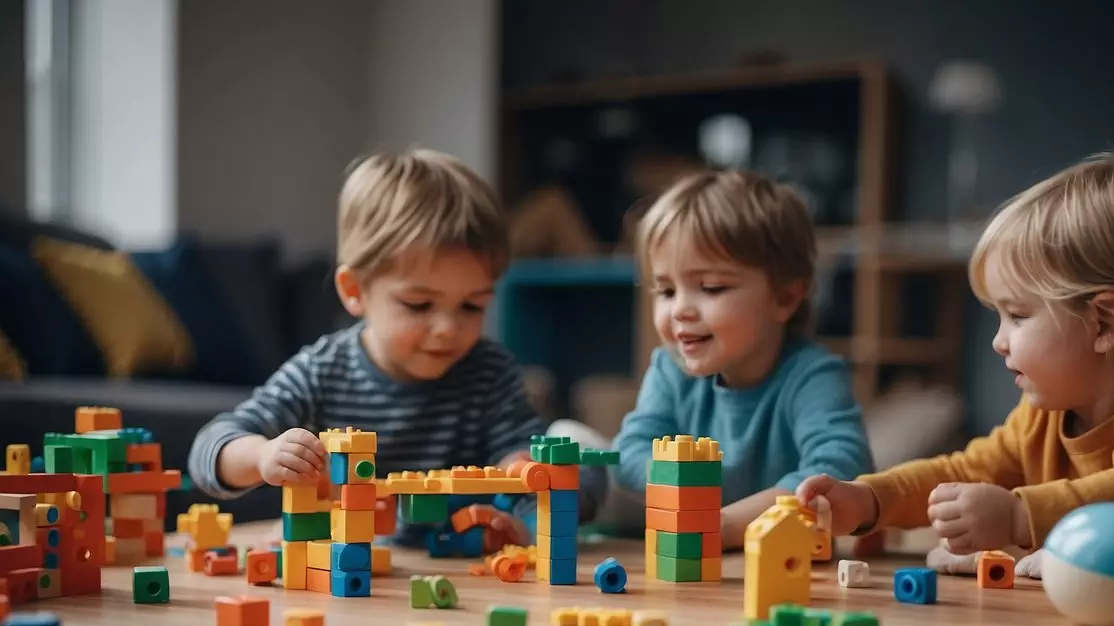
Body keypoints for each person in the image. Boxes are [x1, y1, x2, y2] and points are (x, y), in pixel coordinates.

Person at [795, 149, 1114, 577]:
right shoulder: (1041, 417)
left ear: (1104, 323)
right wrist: (869, 499)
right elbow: (963, 471)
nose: (998, 341)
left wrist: (1017, 515)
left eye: (1018, 315)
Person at [188, 149, 557, 544]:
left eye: (472, 305)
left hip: (458, 565)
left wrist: (521, 474)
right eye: (419, 304)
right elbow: (210, 447)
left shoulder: (489, 371)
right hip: (346, 565)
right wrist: (262, 456)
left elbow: (520, 455)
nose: (448, 328)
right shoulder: (322, 371)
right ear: (354, 291)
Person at [563, 169, 874, 549]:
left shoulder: (813, 375)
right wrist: (685, 498)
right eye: (665, 291)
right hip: (673, 515)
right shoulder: (669, 366)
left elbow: (839, 470)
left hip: (767, 531)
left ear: (786, 298)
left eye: (710, 287)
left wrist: (726, 524)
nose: (679, 310)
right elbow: (632, 449)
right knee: (568, 438)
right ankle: (538, 524)